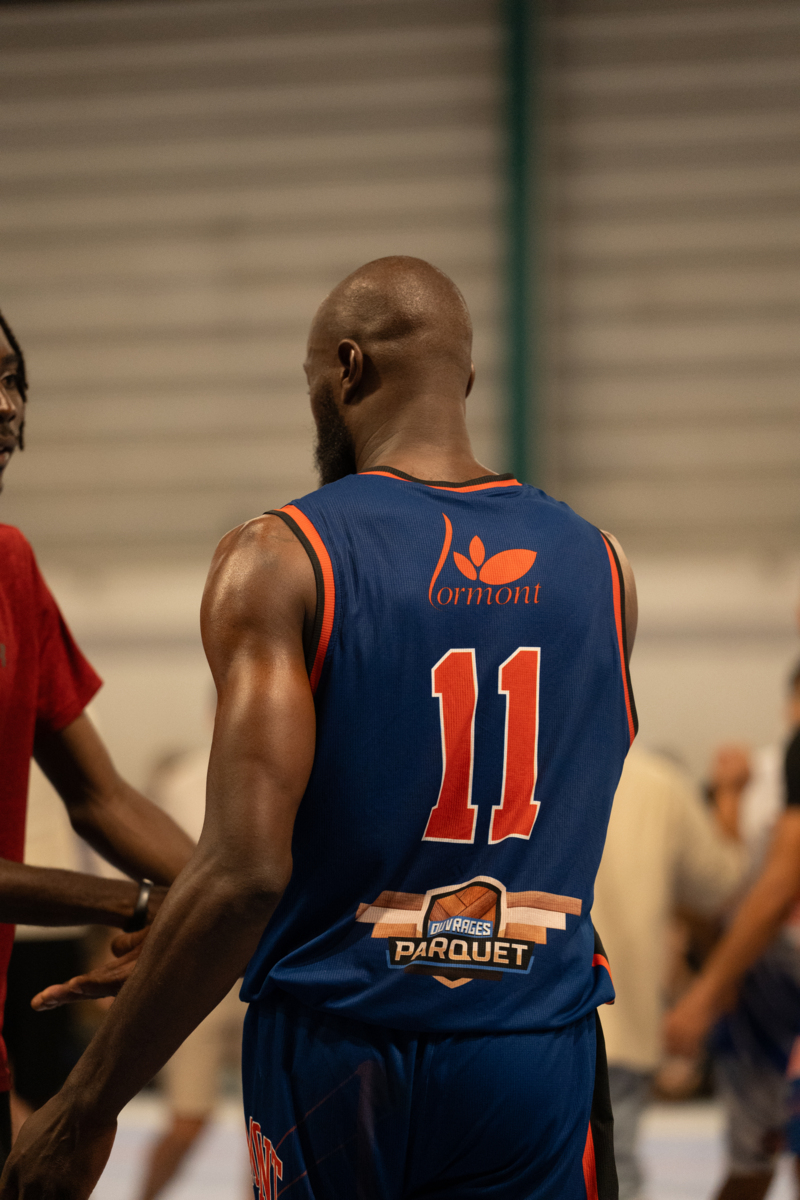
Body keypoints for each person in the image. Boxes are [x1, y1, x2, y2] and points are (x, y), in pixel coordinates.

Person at [0, 256, 638, 1200]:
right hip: (533, 1047)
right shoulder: (605, 567)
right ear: (465, 378)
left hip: (340, 1044)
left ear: (346, 368)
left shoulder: (281, 555)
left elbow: (246, 873)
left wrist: (84, 1106)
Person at [0, 311, 194, 1166]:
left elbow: (101, 796)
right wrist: (139, 904)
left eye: (14, 380)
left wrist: (219, 902)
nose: (6, 406)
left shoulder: (11, 565)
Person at [665, 663, 800, 1200]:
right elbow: (722, 888)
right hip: (760, 995)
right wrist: (727, 798)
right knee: (753, 1156)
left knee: (755, 1157)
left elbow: (771, 885)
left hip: (758, 984)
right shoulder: (764, 774)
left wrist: (706, 992)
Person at [592, 746, 746, 1200]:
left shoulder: (521, 763)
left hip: (515, 1017)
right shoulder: (657, 783)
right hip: (617, 1020)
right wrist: (729, 796)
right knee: (612, 1175)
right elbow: (721, 883)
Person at [136, 745, 246, 1200]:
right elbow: (157, 874)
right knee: (188, 1122)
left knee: (269, 1128)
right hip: (201, 970)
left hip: (265, 968)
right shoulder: (186, 779)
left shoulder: (307, 772)